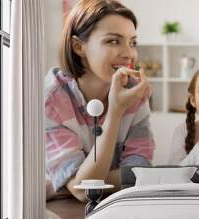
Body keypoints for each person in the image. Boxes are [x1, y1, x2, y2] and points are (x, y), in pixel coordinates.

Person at [45, 0, 155, 202]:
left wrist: (60, 185)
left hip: (114, 208)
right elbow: (83, 191)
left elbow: (141, 173)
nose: (129, 53)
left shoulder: (134, 92)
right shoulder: (52, 100)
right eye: (113, 41)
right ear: (79, 47)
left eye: (132, 42)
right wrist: (115, 112)